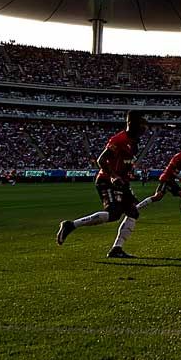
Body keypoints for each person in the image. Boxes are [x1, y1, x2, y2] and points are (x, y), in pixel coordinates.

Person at [55, 111, 148, 258]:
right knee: (113, 214)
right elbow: (101, 160)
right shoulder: (119, 140)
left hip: (121, 183)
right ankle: (71, 225)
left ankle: (117, 249)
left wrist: (127, 182)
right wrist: (114, 176)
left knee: (133, 212)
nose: (145, 128)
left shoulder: (134, 142)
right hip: (106, 180)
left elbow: (125, 164)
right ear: (131, 124)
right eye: (142, 124)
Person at [137, 142, 181, 221]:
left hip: (169, 179)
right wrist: (180, 178)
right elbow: (170, 170)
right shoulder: (179, 157)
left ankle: (136, 208)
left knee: (159, 197)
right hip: (167, 179)